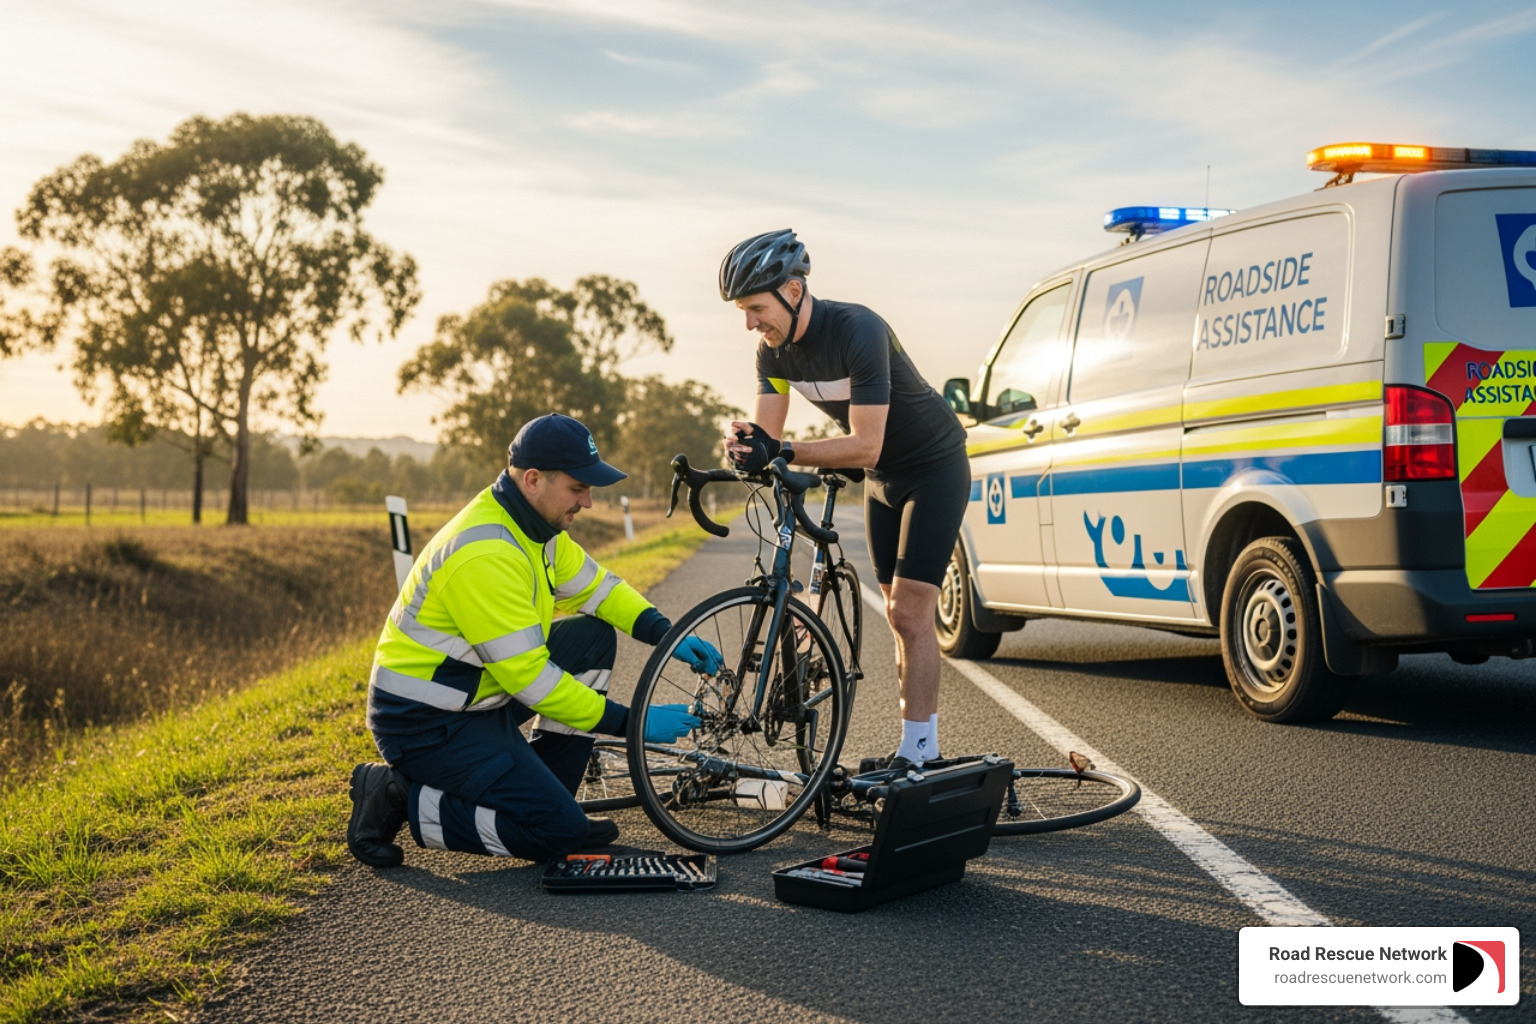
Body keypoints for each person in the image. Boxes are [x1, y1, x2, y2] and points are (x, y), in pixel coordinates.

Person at [346, 412, 723, 867]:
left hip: (476, 697)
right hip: (427, 724)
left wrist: (667, 634)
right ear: (532, 480)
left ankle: (548, 797)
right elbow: (533, 682)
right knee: (558, 834)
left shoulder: (536, 526)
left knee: (590, 636)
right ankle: (398, 793)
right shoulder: (485, 553)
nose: (587, 502)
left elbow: (599, 590)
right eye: (578, 488)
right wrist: (633, 723)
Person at [719, 229, 969, 770]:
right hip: (881, 478)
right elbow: (771, 439)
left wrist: (782, 449)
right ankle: (913, 747)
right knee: (899, 617)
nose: (750, 324)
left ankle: (920, 752)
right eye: (743, 312)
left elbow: (865, 443)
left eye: (756, 308)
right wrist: (748, 449)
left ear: (792, 290)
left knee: (910, 612)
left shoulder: (858, 329)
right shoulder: (771, 354)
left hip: (934, 466)